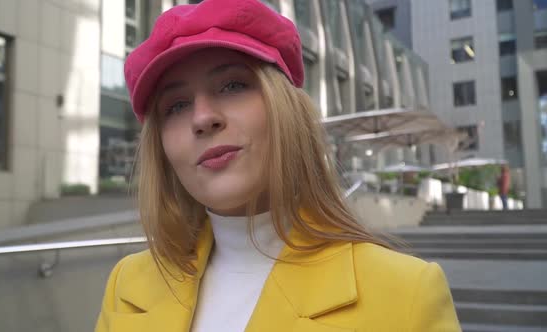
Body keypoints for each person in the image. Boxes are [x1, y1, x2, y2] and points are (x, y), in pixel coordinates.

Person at [95, 0, 460, 331]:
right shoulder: (125, 285)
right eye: (175, 106)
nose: (202, 118)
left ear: (286, 110)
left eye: (232, 85)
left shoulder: (405, 293)